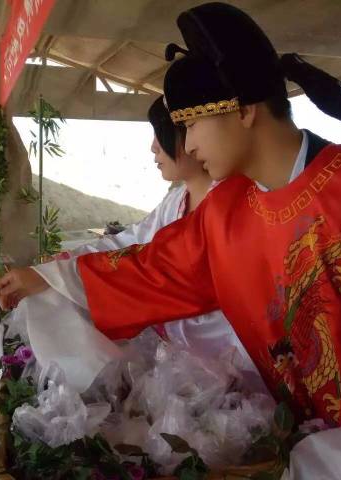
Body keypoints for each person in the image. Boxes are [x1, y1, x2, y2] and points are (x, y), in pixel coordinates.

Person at [0, 3, 341, 478]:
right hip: (301, 449)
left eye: (191, 124)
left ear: (244, 109)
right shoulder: (226, 213)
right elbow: (151, 268)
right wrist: (52, 278)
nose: (187, 145)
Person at [56, 96, 251, 362]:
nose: (153, 146)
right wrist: (62, 265)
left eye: (162, 133)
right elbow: (129, 243)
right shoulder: (176, 202)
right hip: (183, 363)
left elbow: (157, 269)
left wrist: (67, 275)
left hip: (235, 365)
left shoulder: (236, 205)